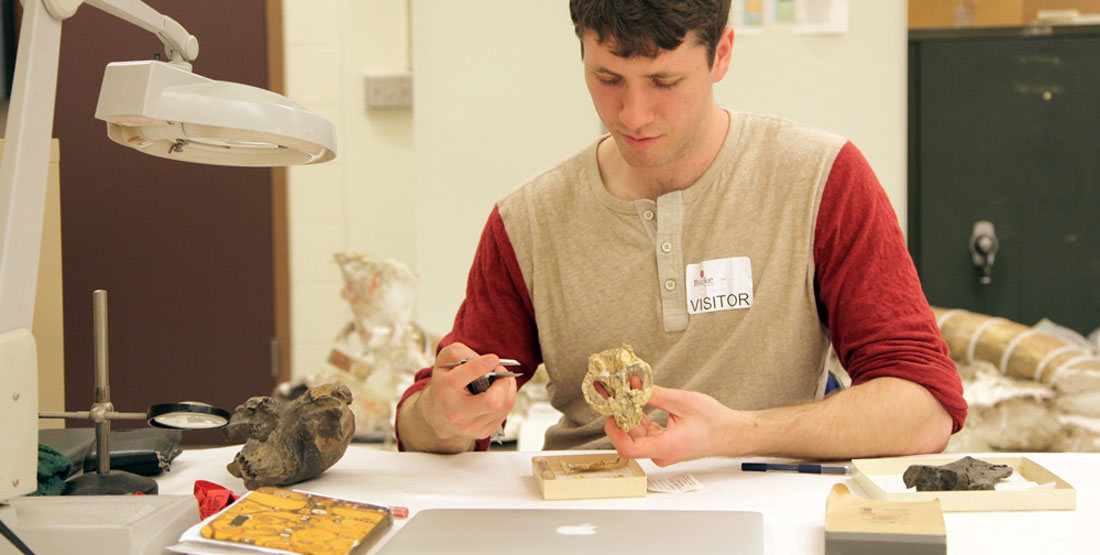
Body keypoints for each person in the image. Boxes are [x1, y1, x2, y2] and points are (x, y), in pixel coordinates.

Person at [395, 0, 966, 466]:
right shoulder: (528, 220)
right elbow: (423, 422)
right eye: (606, 77)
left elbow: (925, 407)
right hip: (591, 511)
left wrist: (734, 432)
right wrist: (443, 416)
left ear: (722, 55)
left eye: (664, 80)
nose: (633, 114)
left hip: (770, 498)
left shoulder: (820, 178)